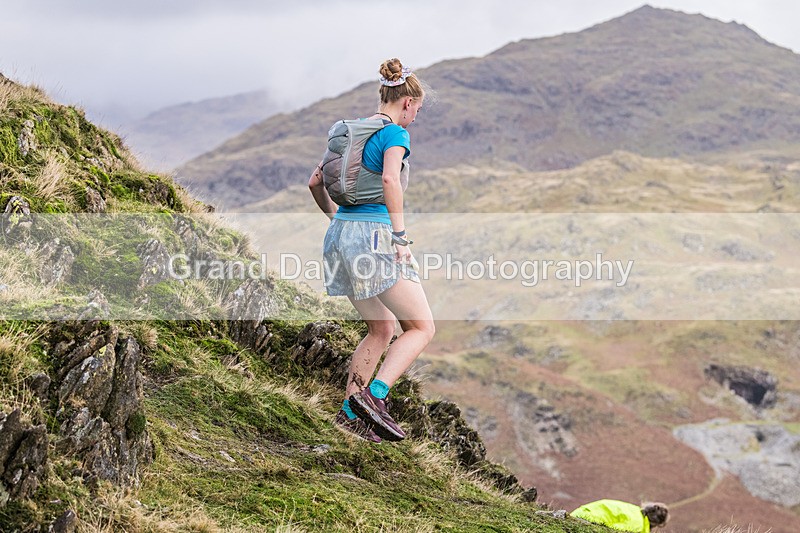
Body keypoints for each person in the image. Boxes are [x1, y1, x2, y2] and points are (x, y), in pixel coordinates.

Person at [308, 58, 435, 443]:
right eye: (417, 111)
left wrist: (335, 218)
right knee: (421, 327)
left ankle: (351, 414)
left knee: (380, 328)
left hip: (341, 233)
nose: (414, 118)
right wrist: (399, 236)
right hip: (375, 234)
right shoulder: (395, 134)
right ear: (408, 103)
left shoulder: (348, 133)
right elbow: (388, 179)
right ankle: (375, 397)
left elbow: (315, 181)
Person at [570, 499, 670, 532]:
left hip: (579, 514)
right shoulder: (638, 525)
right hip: (586, 522)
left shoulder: (633, 510)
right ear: (657, 524)